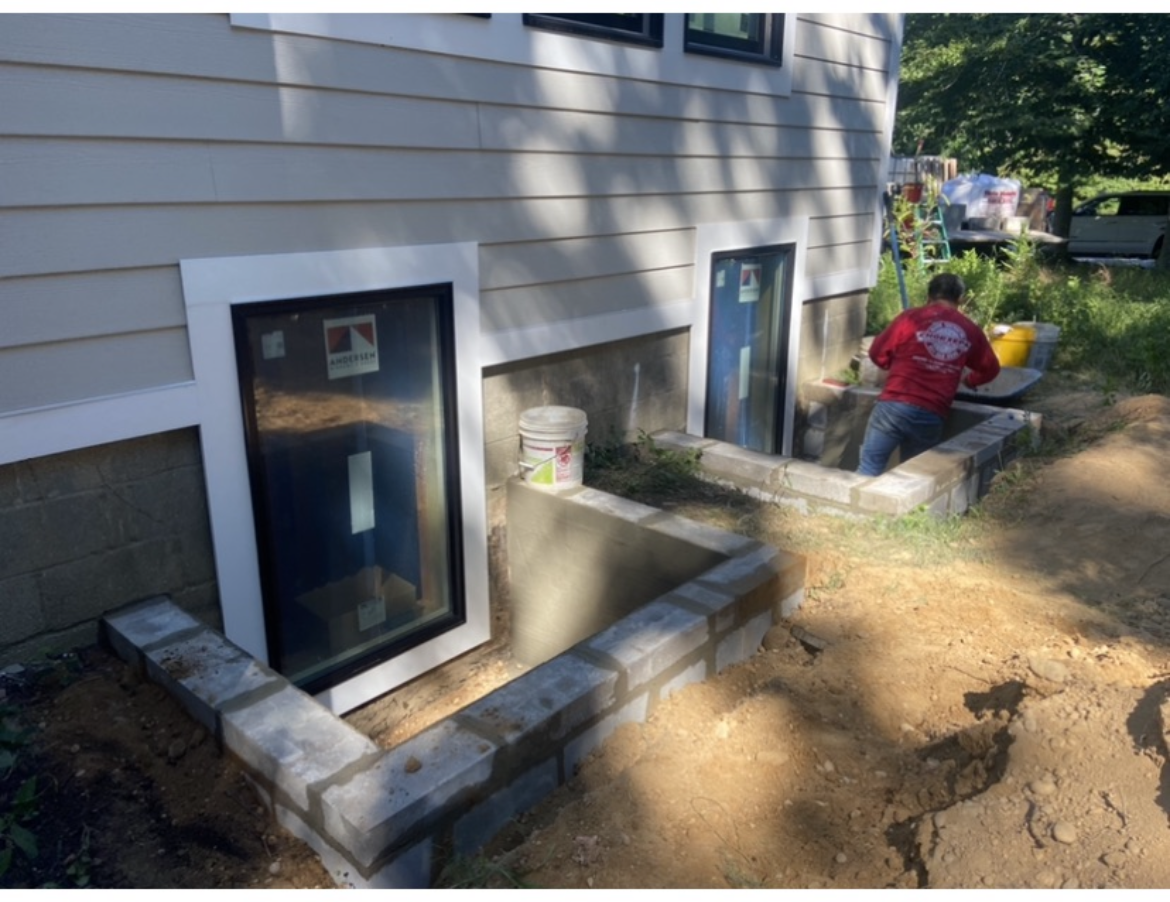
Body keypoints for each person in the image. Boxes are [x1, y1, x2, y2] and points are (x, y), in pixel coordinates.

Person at [857, 272, 1000, 477]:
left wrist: (892, 366)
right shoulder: (969, 330)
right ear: (960, 299)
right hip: (931, 412)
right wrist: (970, 381)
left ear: (929, 296)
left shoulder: (910, 318)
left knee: (869, 467)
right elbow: (991, 368)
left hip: (893, 405)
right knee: (912, 477)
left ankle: (850, 508)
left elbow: (876, 352)